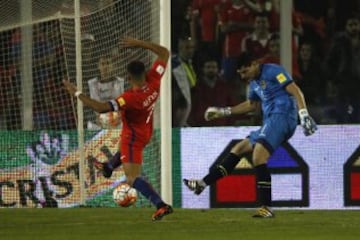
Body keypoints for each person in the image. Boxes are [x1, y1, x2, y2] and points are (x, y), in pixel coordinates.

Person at [183, 57, 317, 218]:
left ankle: (266, 207)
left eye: (245, 71)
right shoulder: (253, 84)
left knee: (258, 156)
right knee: (238, 148)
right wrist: (223, 112)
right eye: (239, 73)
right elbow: (251, 106)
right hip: (270, 121)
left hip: (283, 116)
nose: (242, 76)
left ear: (254, 64)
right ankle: (202, 184)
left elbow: (295, 90)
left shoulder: (274, 71)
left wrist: (304, 115)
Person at [63, 37, 172, 221]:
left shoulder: (128, 98)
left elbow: (99, 107)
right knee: (122, 156)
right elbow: (164, 53)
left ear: (129, 78)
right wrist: (140, 43)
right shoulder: (154, 80)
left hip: (132, 139)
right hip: (146, 132)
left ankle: (160, 205)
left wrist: (76, 92)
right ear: (145, 72)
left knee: (132, 179)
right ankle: (108, 166)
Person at [87, 53, 125, 130]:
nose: (105, 67)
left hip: (117, 120)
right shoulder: (92, 84)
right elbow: (90, 105)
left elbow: (124, 103)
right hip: (99, 121)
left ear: (113, 65)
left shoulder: (120, 82)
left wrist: (119, 116)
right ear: (98, 66)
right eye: (102, 64)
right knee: (90, 125)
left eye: (108, 63)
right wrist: (98, 118)